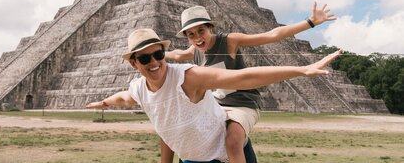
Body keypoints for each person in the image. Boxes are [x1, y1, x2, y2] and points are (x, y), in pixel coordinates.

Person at [86, 28, 340, 163]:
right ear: (134, 64)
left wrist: (301, 70)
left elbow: (243, 78)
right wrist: (106, 102)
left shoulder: (189, 77)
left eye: (158, 54)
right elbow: (125, 97)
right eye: (144, 58)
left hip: (225, 155)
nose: (154, 62)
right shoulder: (139, 88)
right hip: (193, 159)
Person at [165, 3, 336, 162]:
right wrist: (154, 55)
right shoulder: (195, 51)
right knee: (188, 133)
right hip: (215, 107)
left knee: (232, 141)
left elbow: (271, 35)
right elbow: (177, 55)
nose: (197, 38)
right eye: (191, 34)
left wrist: (310, 22)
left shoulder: (229, 41)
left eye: (201, 30)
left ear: (210, 27)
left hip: (241, 104)